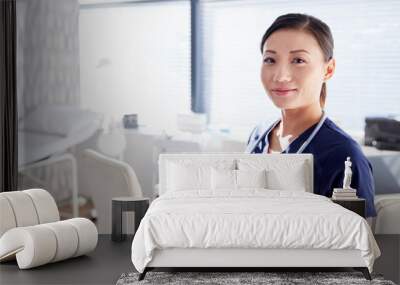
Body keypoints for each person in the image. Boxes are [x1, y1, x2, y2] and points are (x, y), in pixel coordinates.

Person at [245, 13, 376, 218]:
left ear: (328, 69)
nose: (281, 76)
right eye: (270, 59)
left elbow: (358, 244)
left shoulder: (345, 155)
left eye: (298, 60)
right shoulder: (258, 135)